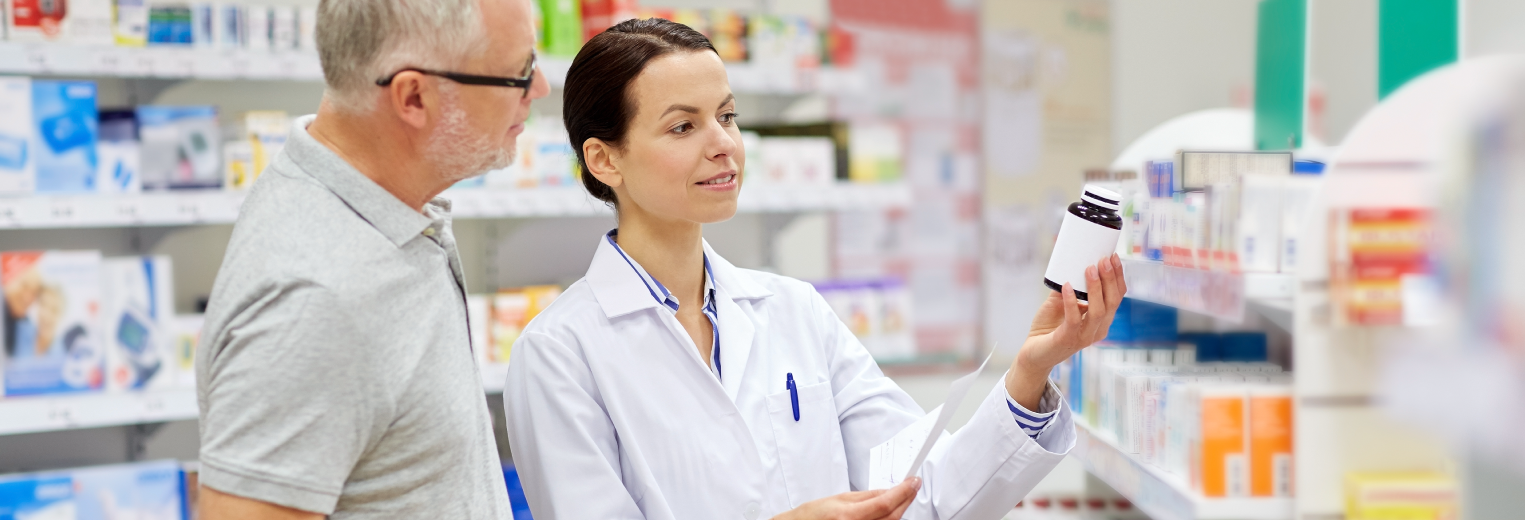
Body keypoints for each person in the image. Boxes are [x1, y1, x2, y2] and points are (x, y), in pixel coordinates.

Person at [503, 18, 1127, 520]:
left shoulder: (793, 311)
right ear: (604, 160)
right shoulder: (561, 353)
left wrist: (1030, 369)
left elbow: (921, 496)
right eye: (683, 126)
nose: (723, 143)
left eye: (726, 116)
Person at [194, 0, 549, 518]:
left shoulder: (386, 212)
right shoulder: (316, 299)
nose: (538, 89)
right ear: (413, 96)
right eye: (519, 73)